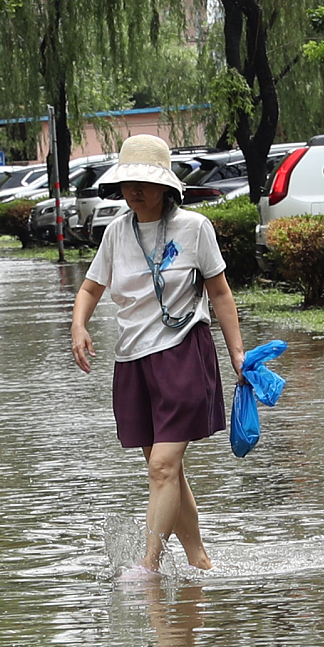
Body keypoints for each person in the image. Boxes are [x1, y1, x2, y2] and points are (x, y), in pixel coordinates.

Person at [71, 135, 246, 579]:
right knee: (166, 470)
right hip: (133, 362)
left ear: (167, 187)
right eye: (129, 182)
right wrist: (78, 325)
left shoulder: (195, 228)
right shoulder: (115, 232)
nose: (136, 191)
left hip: (183, 355)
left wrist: (237, 356)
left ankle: (148, 565)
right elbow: (91, 287)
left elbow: (221, 294)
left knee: (162, 465)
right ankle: (198, 558)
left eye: (145, 183)